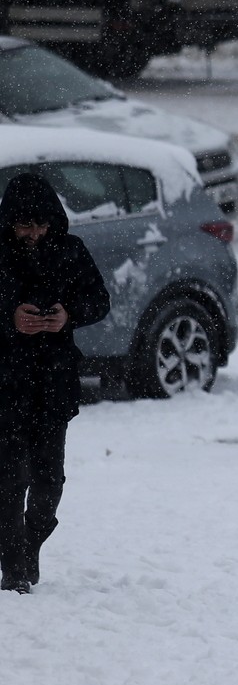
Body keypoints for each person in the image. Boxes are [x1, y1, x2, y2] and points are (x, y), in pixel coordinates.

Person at [0, 174, 110, 594]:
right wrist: (10, 319)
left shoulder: (70, 251)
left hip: (53, 382)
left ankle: (31, 543)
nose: (32, 234)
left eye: (40, 225)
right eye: (24, 226)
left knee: (49, 481)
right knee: (9, 480)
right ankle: (13, 570)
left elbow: (99, 300)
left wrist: (67, 315)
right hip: (6, 383)